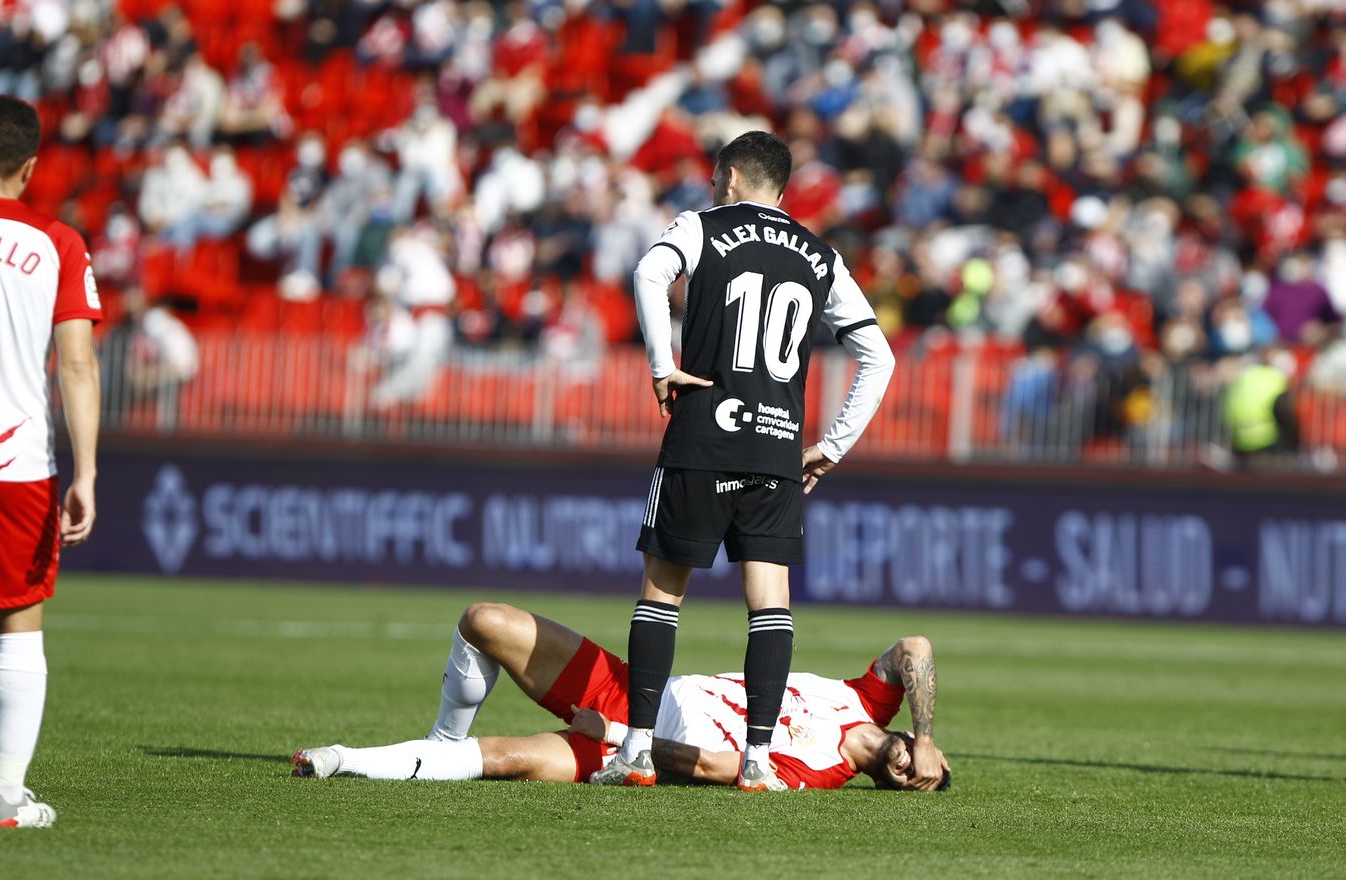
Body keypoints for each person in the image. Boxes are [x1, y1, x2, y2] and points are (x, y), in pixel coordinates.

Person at [595, 130, 898, 792]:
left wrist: (661, 363)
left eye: (713, 177)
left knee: (662, 594)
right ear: (782, 192)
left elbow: (649, 273)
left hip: (704, 437)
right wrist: (834, 444)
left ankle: (638, 750)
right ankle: (759, 760)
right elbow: (880, 357)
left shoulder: (699, 226)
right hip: (778, 446)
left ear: (729, 176)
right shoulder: (820, 254)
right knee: (770, 604)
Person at [290, 601, 950, 791]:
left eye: (914, 785)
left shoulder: (825, 773)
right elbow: (914, 646)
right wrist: (920, 735)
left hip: (632, 751)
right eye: (931, 773)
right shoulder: (870, 700)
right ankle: (439, 738)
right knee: (484, 621)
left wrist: (613, 736)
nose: (917, 777)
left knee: (501, 759)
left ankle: (341, 759)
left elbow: (719, 767)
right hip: (639, 688)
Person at [0, 96, 103, 827]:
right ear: (30, 167)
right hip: (12, 461)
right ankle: (5, 799)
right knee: (18, 625)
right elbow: (75, 368)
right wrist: (86, 473)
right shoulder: (57, 242)